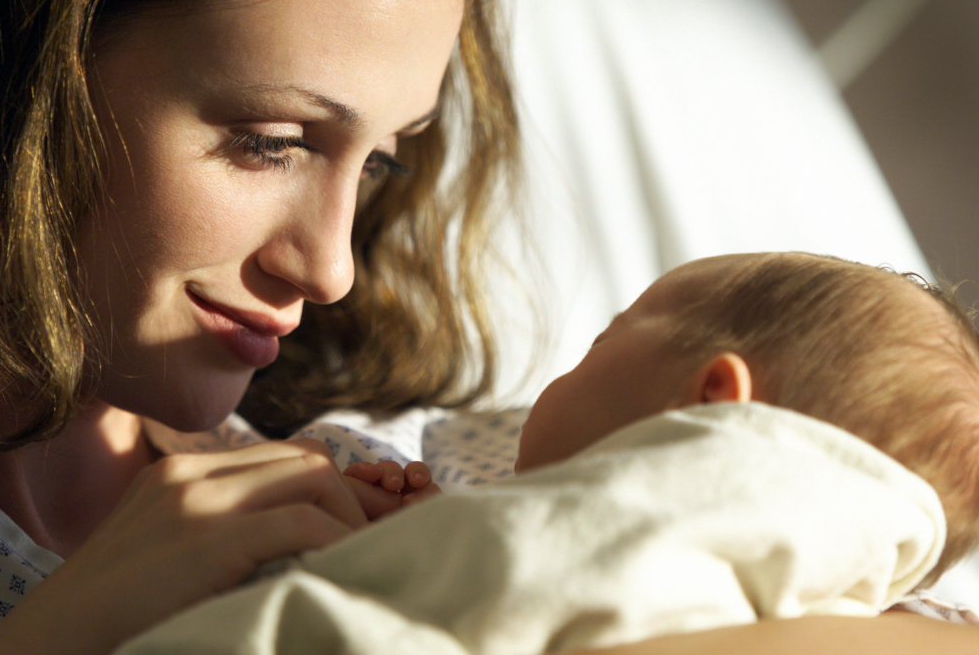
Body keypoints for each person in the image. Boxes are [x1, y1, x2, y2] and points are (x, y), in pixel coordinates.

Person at [0, 0, 975, 652]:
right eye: (270, 141)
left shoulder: (500, 452)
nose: (329, 268)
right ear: (19, 80)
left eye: (385, 158)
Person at [118, 251, 979, 654]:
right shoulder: (849, 597)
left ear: (713, 400)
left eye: (603, 340)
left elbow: (514, 576)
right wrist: (431, 535)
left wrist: (413, 546)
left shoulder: (673, 513)